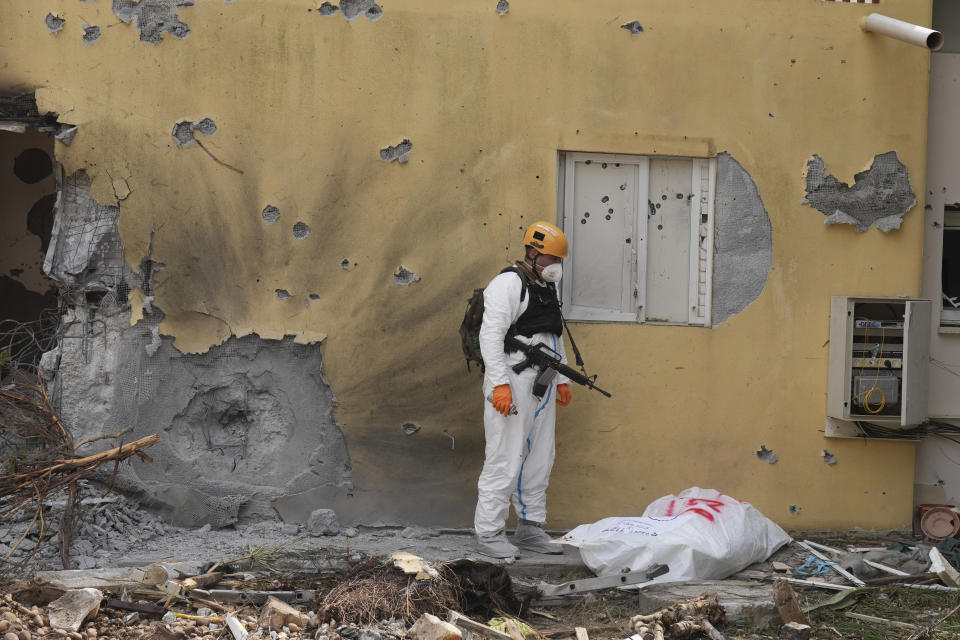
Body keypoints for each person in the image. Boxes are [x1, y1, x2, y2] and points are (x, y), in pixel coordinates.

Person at [474, 221, 572, 559]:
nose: (556, 266)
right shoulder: (508, 284)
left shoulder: (545, 289)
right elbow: (490, 336)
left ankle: (530, 528)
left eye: (559, 259)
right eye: (550, 258)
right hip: (512, 381)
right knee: (505, 456)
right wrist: (499, 385)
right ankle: (489, 533)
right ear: (533, 253)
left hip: (542, 382)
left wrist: (563, 380)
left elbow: (551, 336)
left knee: (540, 457)